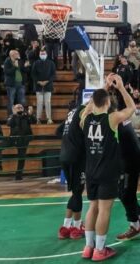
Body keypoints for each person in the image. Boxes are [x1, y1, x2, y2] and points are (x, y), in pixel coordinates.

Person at [79, 74, 135, 261]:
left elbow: (89, 106)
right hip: (108, 171)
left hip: (91, 171)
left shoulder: (85, 118)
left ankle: (88, 247)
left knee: (92, 207)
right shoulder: (112, 119)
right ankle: (100, 249)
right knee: (104, 210)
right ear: (107, 103)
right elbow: (132, 108)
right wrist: (120, 87)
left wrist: (102, 88)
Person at [115, 118, 140, 241]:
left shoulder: (113, 120)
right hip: (133, 158)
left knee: (125, 195)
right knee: (127, 192)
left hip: (130, 162)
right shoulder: (120, 117)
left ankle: (135, 226)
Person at [57, 103, 86, 240]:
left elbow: (57, 131)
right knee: (78, 193)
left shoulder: (69, 116)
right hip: (76, 158)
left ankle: (66, 227)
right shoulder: (82, 112)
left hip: (64, 156)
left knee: (75, 192)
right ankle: (76, 227)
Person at [8, 104, 37, 180]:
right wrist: (14, 115)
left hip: (24, 139)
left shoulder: (26, 116)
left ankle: (19, 174)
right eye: (18, 108)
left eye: (21, 107)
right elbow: (9, 124)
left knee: (22, 156)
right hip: (14, 138)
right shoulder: (12, 116)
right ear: (14, 109)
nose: (20, 109)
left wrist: (31, 114)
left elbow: (34, 121)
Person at [31, 48, 57, 124]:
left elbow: (53, 74)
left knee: (48, 102)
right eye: (41, 54)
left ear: (46, 54)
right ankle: (38, 118)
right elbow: (33, 74)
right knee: (39, 102)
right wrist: (38, 81)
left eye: (44, 54)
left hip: (48, 86)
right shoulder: (36, 63)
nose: (43, 55)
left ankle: (49, 118)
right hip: (38, 86)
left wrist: (47, 81)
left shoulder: (51, 63)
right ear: (39, 55)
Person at [3, 50, 29, 115]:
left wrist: (26, 66)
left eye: (18, 53)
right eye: (16, 53)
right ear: (12, 55)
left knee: (22, 101)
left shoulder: (20, 61)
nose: (18, 54)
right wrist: (15, 67)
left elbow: (25, 71)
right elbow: (7, 72)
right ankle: (11, 116)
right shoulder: (7, 62)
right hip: (11, 85)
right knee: (11, 101)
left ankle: (22, 115)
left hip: (21, 84)